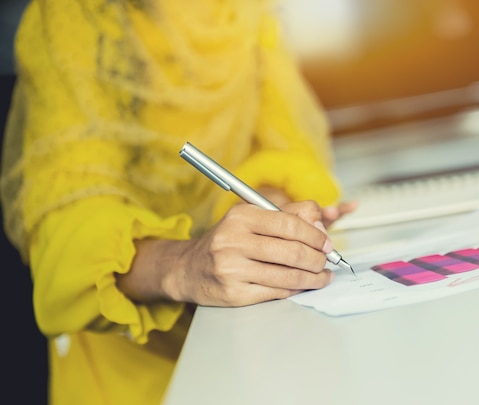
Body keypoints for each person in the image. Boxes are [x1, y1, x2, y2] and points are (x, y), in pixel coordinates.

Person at [0, 1, 355, 404]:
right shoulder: (75, 15)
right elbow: (67, 227)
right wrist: (185, 265)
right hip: (130, 370)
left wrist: (270, 212)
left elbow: (285, 141)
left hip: (259, 346)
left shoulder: (247, 11)